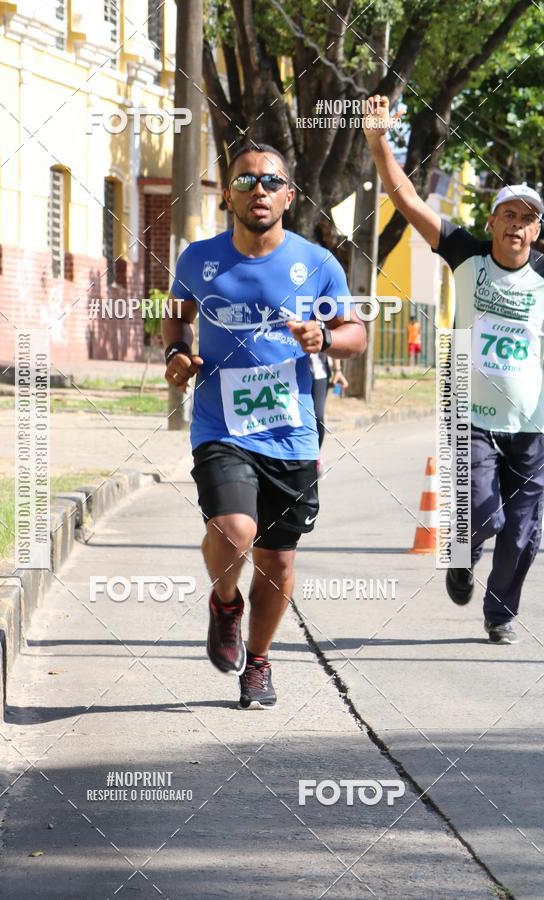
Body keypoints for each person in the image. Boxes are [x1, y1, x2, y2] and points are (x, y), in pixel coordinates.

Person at [162, 142, 366, 706]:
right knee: (234, 530)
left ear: (289, 196)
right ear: (227, 194)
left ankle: (259, 662)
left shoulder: (317, 264)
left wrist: (323, 337)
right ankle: (226, 602)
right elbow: (175, 322)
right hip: (219, 424)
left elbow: (356, 335)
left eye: (271, 181)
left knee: (277, 558)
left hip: (292, 429)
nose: (259, 189)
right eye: (247, 180)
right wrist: (175, 356)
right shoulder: (198, 260)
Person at [363, 95, 544, 645]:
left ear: (537, 232)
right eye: (508, 215)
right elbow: (408, 198)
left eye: (528, 219)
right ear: (491, 223)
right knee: (483, 515)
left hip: (533, 420)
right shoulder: (465, 252)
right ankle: (462, 558)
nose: (517, 225)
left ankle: (499, 613)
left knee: (523, 532)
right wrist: (378, 142)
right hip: (471, 412)